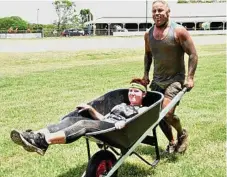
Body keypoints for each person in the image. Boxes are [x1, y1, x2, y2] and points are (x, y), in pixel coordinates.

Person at [11, 78, 148, 156]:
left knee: (84, 124)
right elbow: (103, 118)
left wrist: (125, 122)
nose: (132, 93)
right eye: (130, 90)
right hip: (106, 125)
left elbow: (139, 121)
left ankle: (43, 142)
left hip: (118, 131)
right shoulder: (121, 104)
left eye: (136, 91)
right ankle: (34, 136)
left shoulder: (143, 109)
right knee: (71, 119)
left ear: (144, 94)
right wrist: (91, 109)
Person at [143, 0, 198, 153]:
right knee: (156, 116)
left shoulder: (179, 31)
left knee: (167, 113)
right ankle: (172, 142)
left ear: (168, 12)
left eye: (160, 10)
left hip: (175, 80)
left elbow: (193, 54)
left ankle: (182, 134)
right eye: (154, 11)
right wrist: (146, 75)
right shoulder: (148, 34)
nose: (157, 14)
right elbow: (148, 55)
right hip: (157, 81)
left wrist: (190, 77)